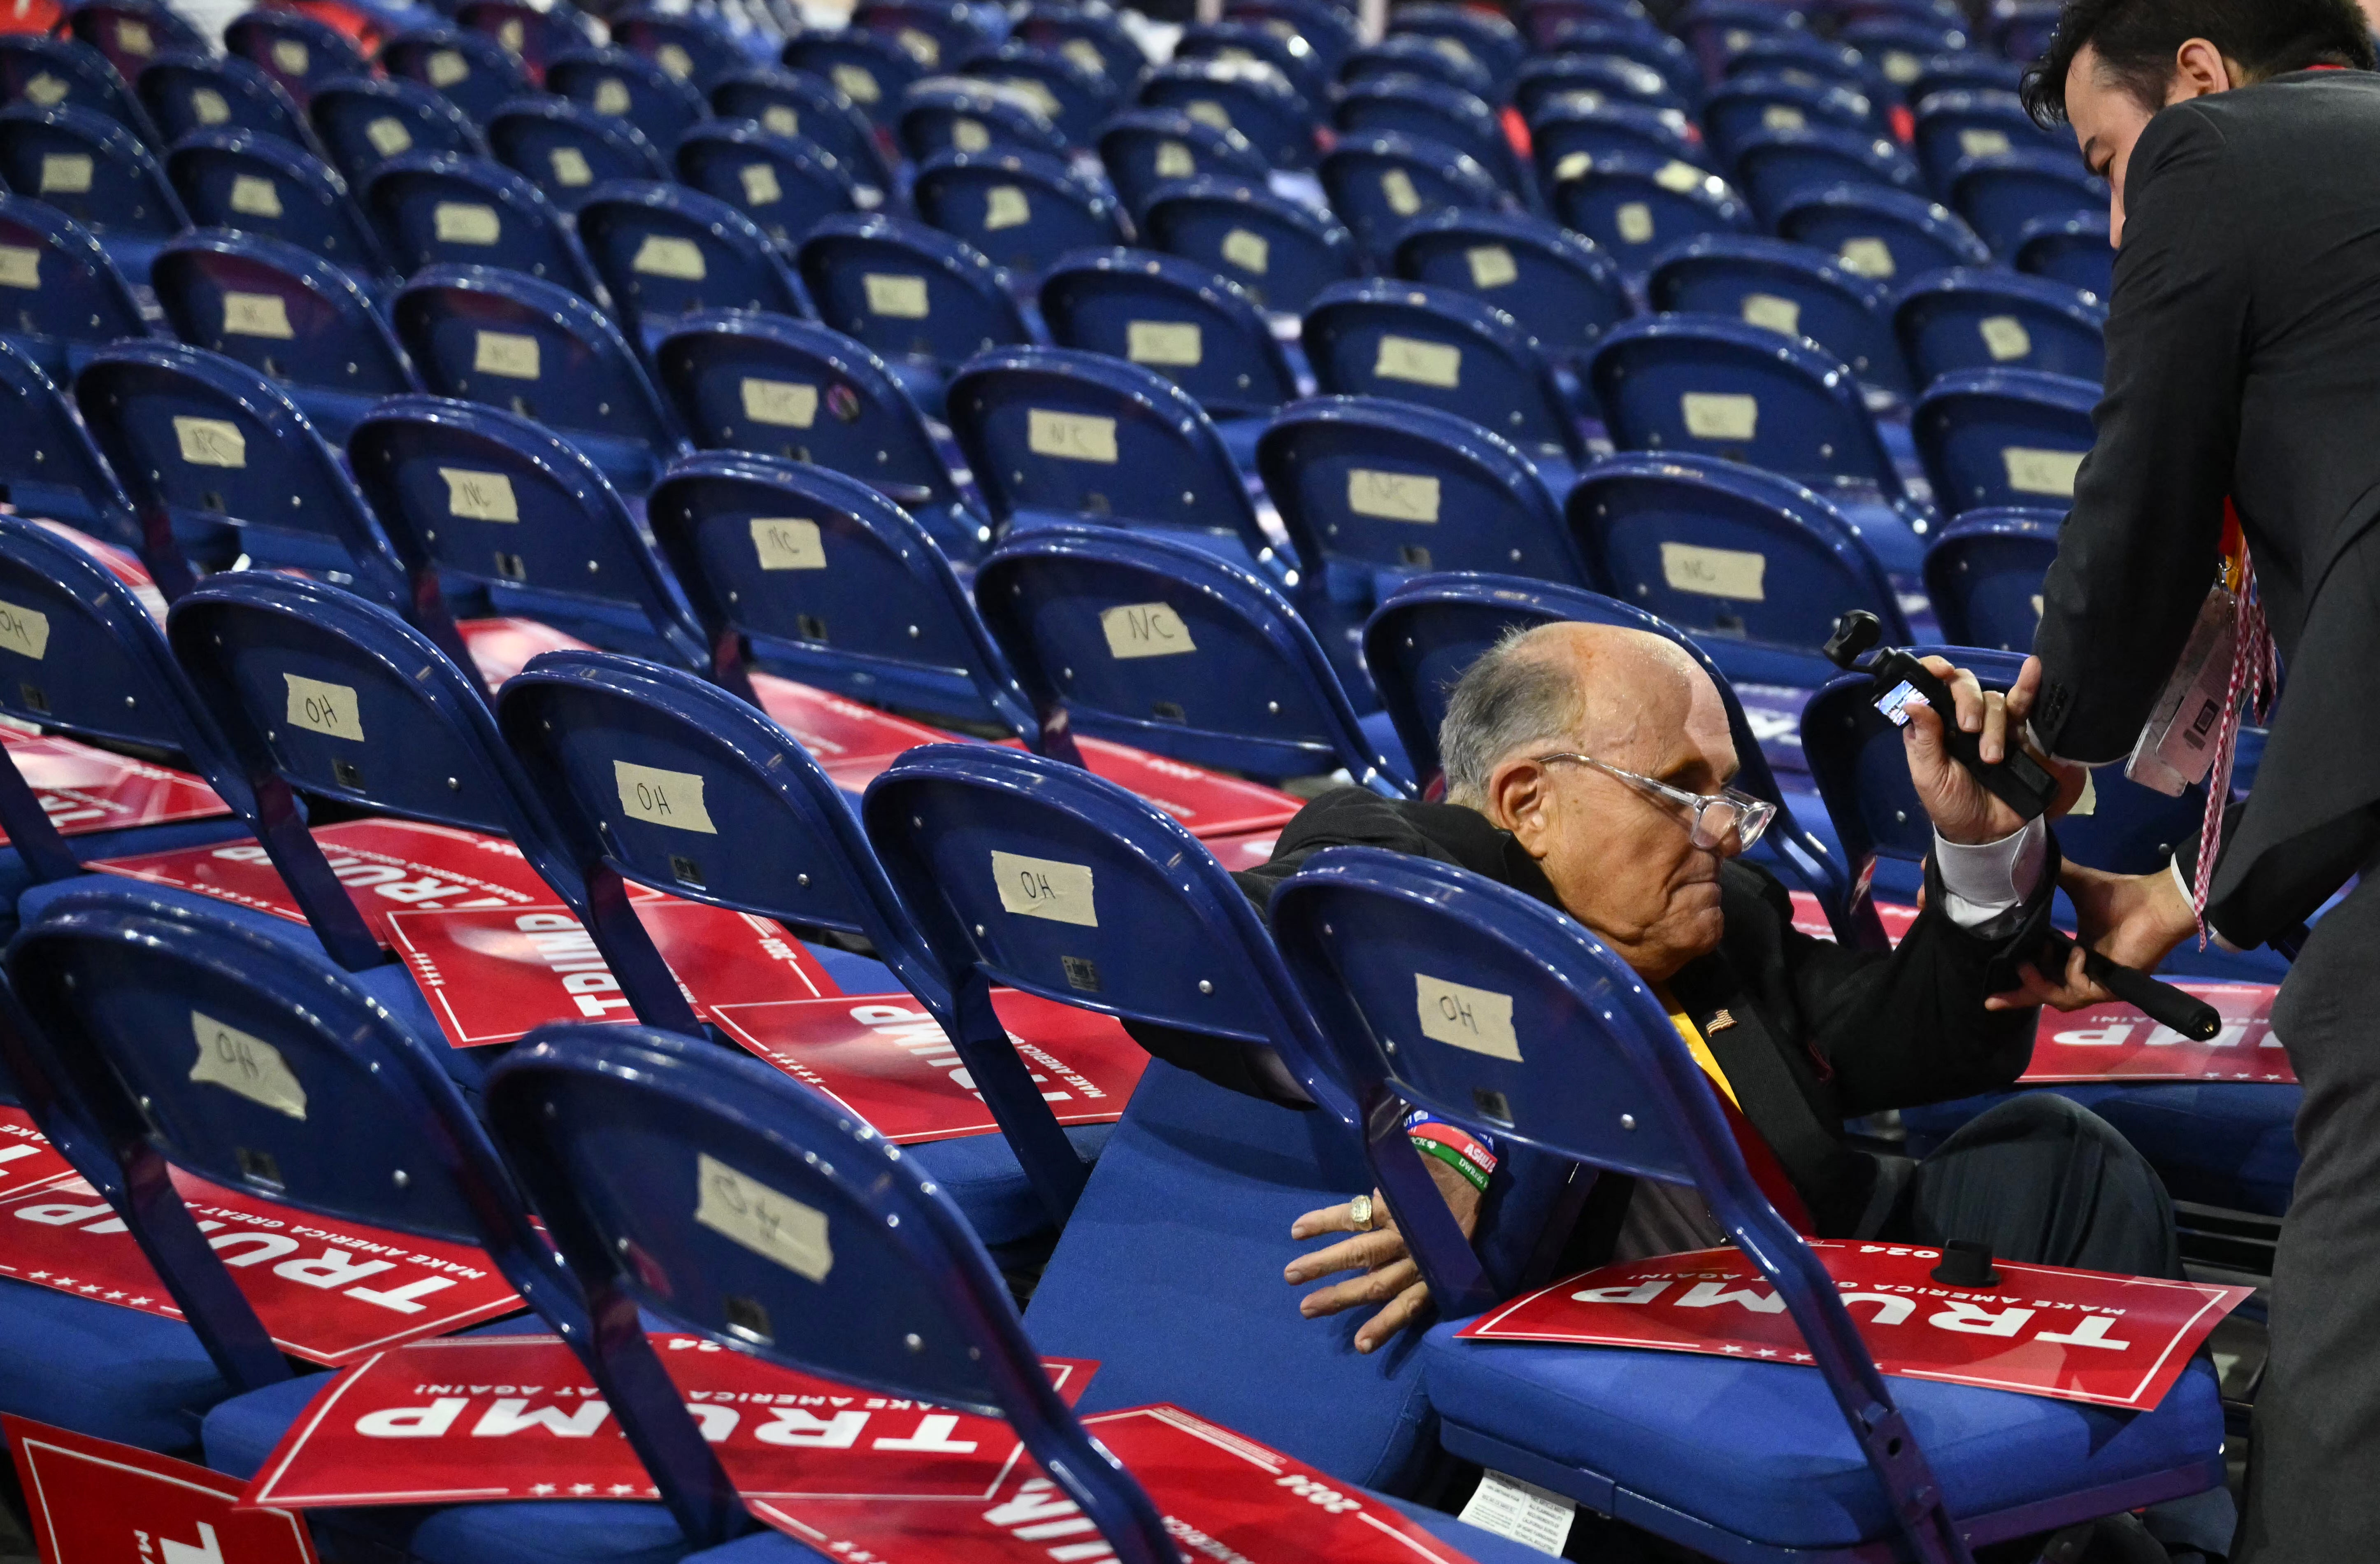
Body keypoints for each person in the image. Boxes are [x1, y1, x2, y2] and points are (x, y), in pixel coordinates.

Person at [1232, 624, 2225, 1561]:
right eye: (1676, 788)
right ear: (1528, 801)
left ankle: (2141, 1520)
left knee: (2060, 1154)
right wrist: (1460, 1115)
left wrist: (1983, 849)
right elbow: (1314, 878)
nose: (1728, 831)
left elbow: (1914, 1040)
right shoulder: (1405, 876)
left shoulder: (1725, 920)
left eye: (1728, 791)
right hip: (1641, 1396)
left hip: (1820, 1303)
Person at [2003, 5, 2380, 1560]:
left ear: (2204, 74)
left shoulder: (2219, 156)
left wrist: (2042, 741)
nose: (2114, 210)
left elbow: (2135, 508)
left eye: (2109, 157)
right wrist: (2181, 891)